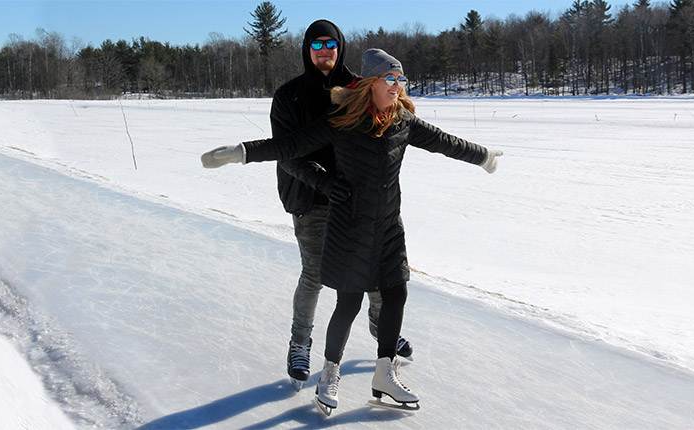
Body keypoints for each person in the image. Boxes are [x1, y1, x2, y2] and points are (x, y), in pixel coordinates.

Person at [201, 48, 502, 413]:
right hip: (349, 225)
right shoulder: (343, 122)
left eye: (401, 79)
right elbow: (290, 146)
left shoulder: (403, 120)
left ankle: (384, 373)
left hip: (388, 225)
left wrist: (483, 156)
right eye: (389, 78)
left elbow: (444, 142)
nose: (396, 85)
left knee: (396, 295)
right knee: (350, 302)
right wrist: (241, 152)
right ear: (370, 83)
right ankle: (329, 373)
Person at [269, 20, 413, 392]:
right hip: (311, 198)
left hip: (358, 200)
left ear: (341, 47)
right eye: (316, 45)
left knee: (377, 273)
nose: (324, 51)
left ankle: (382, 328)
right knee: (315, 274)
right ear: (307, 49)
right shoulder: (289, 96)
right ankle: (300, 343)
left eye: (330, 44)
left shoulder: (359, 87)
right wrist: (324, 182)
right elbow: (287, 154)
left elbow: (389, 123)